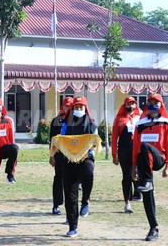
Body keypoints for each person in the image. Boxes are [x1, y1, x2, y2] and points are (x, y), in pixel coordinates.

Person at [131, 93, 168, 242]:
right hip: (144, 163)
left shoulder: (166, 123)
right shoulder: (140, 124)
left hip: (159, 158)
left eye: (156, 102)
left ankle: (147, 181)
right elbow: (135, 146)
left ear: (161, 105)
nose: (153, 104)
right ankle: (153, 227)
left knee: (145, 146)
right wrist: (133, 166)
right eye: (150, 101)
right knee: (147, 194)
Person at [55, 96, 99, 238]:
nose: (78, 110)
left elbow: (95, 143)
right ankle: (73, 226)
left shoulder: (92, 125)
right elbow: (61, 140)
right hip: (68, 161)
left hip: (85, 159)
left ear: (85, 109)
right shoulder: (65, 125)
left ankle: (86, 200)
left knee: (89, 173)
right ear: (72, 109)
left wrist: (89, 151)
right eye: (76, 107)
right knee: (70, 195)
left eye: (81, 107)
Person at [111, 96, 142, 214]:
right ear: (124, 106)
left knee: (138, 173)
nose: (131, 106)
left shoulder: (140, 117)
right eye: (128, 104)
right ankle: (127, 202)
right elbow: (114, 137)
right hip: (124, 151)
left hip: (138, 150)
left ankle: (138, 193)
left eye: (133, 104)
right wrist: (114, 154)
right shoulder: (119, 119)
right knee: (127, 176)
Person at [49, 96, 73, 215]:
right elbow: (52, 139)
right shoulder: (56, 120)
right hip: (59, 155)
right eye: (66, 105)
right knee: (58, 178)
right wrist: (51, 156)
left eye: (70, 106)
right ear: (62, 106)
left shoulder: (76, 120)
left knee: (71, 180)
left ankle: (71, 205)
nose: (67, 108)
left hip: (72, 155)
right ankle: (56, 205)